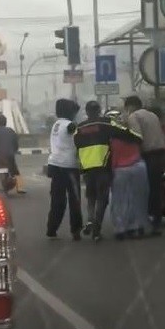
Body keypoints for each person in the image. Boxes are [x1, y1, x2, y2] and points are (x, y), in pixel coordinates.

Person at [105, 110, 151, 241]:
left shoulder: (110, 138)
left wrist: (110, 173)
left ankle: (121, 228)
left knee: (119, 201)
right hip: (139, 167)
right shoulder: (132, 134)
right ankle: (137, 226)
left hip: (121, 169)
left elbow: (111, 158)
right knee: (139, 199)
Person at [123, 96, 165, 236]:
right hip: (161, 154)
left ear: (130, 106)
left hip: (148, 156)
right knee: (156, 189)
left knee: (145, 190)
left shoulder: (134, 116)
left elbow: (137, 137)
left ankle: (147, 222)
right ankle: (157, 221)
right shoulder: (152, 115)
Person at [73, 101, 114, 239]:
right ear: (99, 110)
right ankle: (97, 228)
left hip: (87, 167)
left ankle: (90, 219)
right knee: (102, 198)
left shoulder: (80, 127)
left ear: (86, 111)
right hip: (103, 166)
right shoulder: (105, 123)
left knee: (91, 197)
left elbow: (76, 146)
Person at [46, 99, 83, 241]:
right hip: (69, 167)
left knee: (57, 200)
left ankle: (51, 229)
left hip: (54, 165)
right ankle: (76, 230)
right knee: (75, 199)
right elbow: (76, 134)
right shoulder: (70, 125)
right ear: (70, 112)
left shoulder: (56, 124)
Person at [0, 114, 22, 194]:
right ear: (5, 122)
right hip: (9, 156)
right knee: (15, 170)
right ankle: (20, 187)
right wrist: (14, 150)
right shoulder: (11, 131)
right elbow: (15, 144)